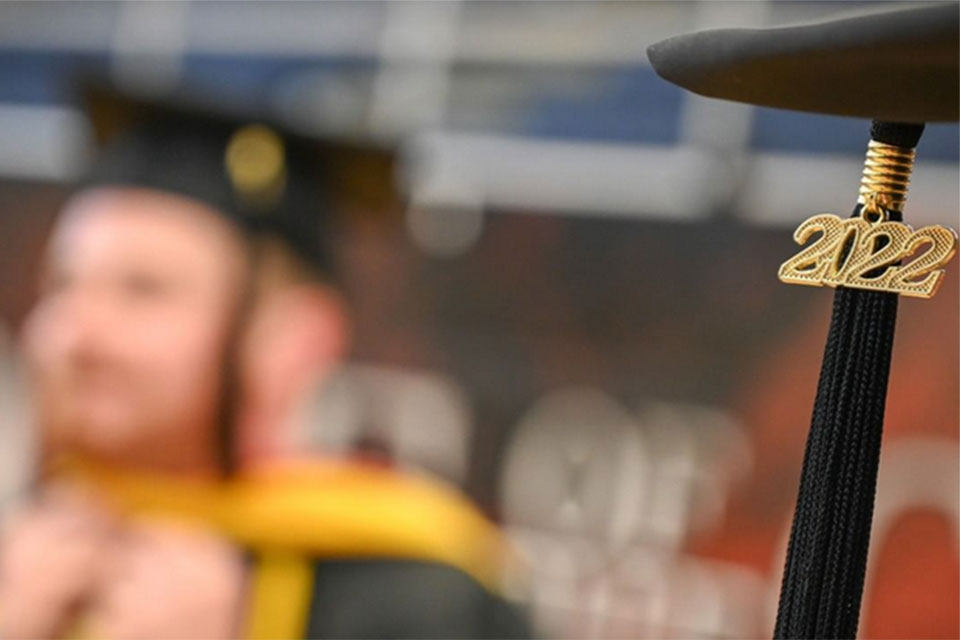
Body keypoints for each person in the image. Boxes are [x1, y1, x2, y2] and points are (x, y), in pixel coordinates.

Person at [0, 85, 530, 639]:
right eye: (62, 284)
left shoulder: (423, 602)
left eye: (143, 291)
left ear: (289, 341)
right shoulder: (21, 553)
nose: (72, 334)